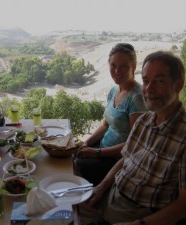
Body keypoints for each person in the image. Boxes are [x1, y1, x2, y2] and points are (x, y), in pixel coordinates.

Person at [79, 51, 186, 225]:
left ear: (178, 85)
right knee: (57, 209)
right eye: (145, 81)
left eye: (159, 81)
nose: (149, 89)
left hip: (135, 213)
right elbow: (125, 160)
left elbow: (183, 205)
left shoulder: (183, 136)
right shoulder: (144, 120)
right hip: (112, 195)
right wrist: (101, 188)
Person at [74, 43, 147, 185]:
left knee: (76, 165)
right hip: (102, 147)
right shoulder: (114, 91)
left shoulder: (137, 98)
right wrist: (87, 142)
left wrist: (97, 152)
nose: (117, 71)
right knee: (72, 153)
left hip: (117, 160)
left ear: (133, 66)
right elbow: (105, 125)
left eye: (124, 66)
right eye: (113, 65)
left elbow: (134, 145)